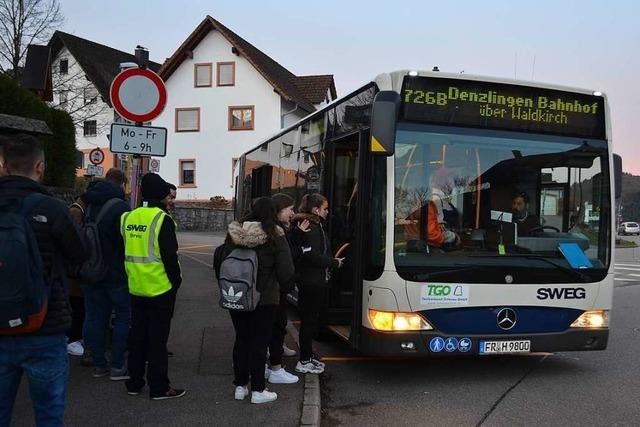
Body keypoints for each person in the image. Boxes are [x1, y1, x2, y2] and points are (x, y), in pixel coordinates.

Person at [0, 134, 88, 426]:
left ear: (3, 165)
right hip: (44, 325)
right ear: (40, 166)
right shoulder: (50, 208)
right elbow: (80, 254)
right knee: (48, 415)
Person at [224, 197, 295, 404]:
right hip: (265, 299)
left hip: (236, 294)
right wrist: (285, 287)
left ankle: (240, 386)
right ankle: (258, 390)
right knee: (259, 344)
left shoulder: (235, 232)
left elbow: (221, 259)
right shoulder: (275, 234)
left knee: (241, 340)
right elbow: (286, 270)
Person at [121, 173, 185, 400]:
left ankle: (134, 383)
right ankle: (159, 387)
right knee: (157, 340)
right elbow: (170, 256)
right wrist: (176, 282)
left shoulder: (128, 217)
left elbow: (125, 250)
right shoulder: (162, 219)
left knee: (137, 337)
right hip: (160, 288)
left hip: (135, 287)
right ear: (161, 194)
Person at [74, 168, 132, 380]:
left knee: (94, 317)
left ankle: (98, 364)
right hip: (115, 272)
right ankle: (117, 366)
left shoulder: (86, 203)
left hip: (90, 270)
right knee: (123, 318)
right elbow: (125, 243)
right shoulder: (121, 207)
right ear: (121, 184)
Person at [292, 193, 343, 375]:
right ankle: (304, 360)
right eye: (325, 208)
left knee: (310, 320)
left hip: (312, 280)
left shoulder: (312, 225)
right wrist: (334, 262)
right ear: (316, 210)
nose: (328, 212)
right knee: (309, 322)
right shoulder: (312, 228)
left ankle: (308, 355)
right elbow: (312, 256)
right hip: (311, 281)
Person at [265, 193, 306, 385]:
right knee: (275, 324)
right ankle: (275, 367)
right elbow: (284, 261)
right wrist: (289, 282)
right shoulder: (275, 232)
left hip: (270, 288)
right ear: (279, 210)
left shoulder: (271, 229)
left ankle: (270, 363)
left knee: (272, 325)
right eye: (289, 210)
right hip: (274, 288)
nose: (292, 213)